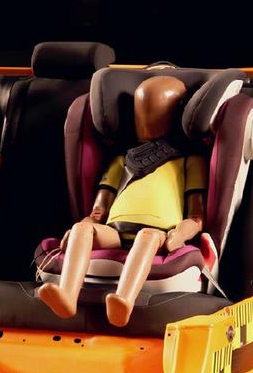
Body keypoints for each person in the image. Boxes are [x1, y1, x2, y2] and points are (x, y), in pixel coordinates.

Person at [37, 75, 207, 327]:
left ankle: (124, 300)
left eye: (156, 110)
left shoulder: (189, 162)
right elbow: (98, 210)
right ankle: (67, 295)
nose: (147, 119)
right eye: (142, 111)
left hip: (158, 232)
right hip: (115, 231)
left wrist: (181, 233)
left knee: (147, 236)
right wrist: (81, 227)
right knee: (82, 228)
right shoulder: (122, 161)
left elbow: (196, 215)